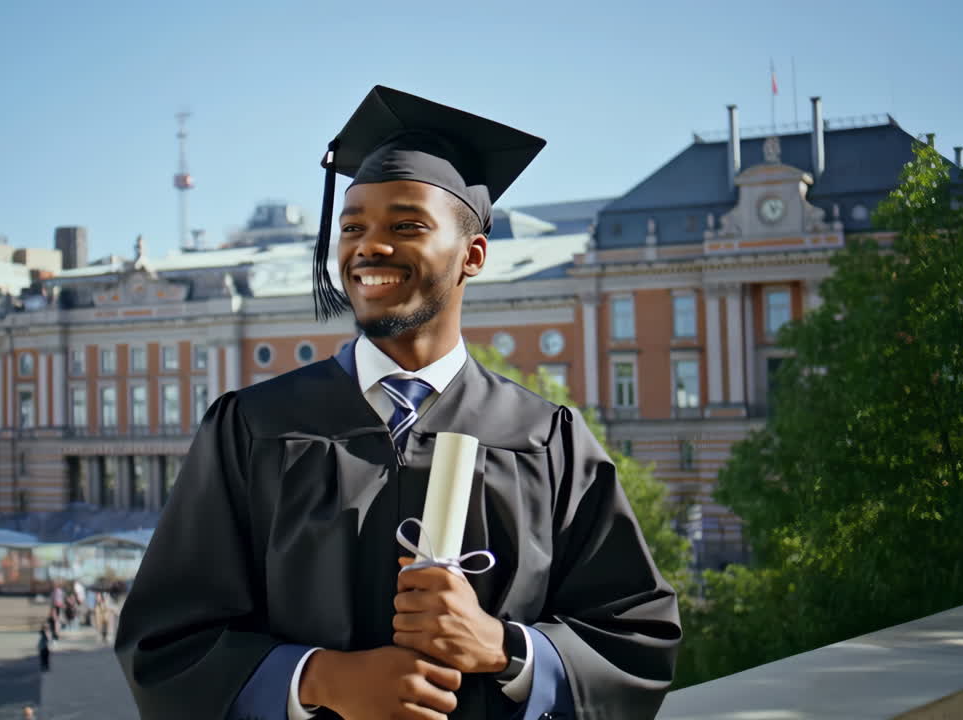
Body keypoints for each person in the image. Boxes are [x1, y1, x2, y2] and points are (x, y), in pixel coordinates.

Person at [115, 86, 681, 720]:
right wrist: (318, 680)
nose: (368, 247)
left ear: (473, 255)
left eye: (406, 225)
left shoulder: (544, 440)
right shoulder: (254, 428)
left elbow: (636, 638)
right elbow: (163, 644)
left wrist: (506, 649)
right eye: (352, 226)